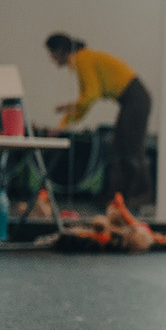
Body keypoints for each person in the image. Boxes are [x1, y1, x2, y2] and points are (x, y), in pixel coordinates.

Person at [45, 33, 154, 210]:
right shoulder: (82, 59)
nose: (52, 59)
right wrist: (62, 126)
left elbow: (91, 95)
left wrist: (68, 108)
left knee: (130, 149)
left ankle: (139, 195)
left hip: (135, 98)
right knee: (118, 148)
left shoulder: (82, 59)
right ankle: (118, 198)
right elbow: (85, 103)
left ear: (59, 51)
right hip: (131, 99)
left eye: (51, 54)